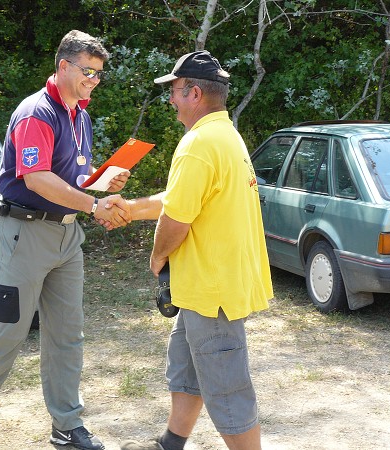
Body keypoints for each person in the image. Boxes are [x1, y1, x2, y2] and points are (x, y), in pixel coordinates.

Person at [0, 30, 130, 450]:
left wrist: (101, 182)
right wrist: (92, 205)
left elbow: (69, 176)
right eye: (87, 71)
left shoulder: (78, 114)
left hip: (66, 238)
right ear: (63, 65)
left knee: (67, 334)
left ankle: (66, 425)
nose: (93, 81)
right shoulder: (37, 112)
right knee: (5, 330)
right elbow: (37, 178)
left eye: (99, 74)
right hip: (23, 235)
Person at [116, 50, 273, 450]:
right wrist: (130, 209)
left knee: (227, 388)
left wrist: (157, 257)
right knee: (186, 369)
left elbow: (177, 219)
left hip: (210, 289)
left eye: (174, 91)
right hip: (205, 285)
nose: (170, 100)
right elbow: (179, 199)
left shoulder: (199, 143)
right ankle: (171, 443)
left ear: (194, 93)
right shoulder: (225, 135)